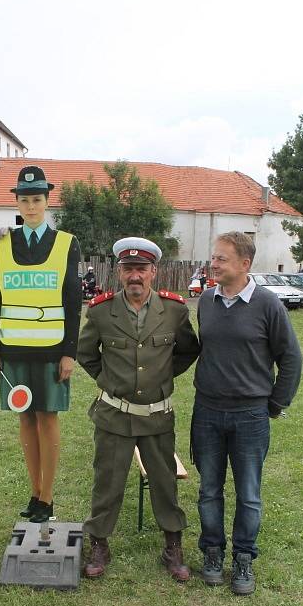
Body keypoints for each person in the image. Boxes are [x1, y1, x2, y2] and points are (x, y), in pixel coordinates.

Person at [77, 237, 200, 582]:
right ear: (119, 272)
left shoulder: (174, 310)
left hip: (157, 415)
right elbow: (86, 353)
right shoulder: (101, 311)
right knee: (108, 481)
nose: (135, 275)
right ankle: (100, 543)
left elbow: (189, 350)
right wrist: (110, 381)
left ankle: (172, 545)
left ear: (153, 272)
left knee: (164, 482)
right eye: (128, 269)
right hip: (114, 415)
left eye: (141, 269)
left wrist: (163, 377)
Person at [191, 231, 302, 595]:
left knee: (249, 493)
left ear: (244, 264)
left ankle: (242, 558)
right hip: (207, 411)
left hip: (250, 417)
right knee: (209, 489)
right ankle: (212, 553)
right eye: (214, 257)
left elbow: (291, 358)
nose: (214, 263)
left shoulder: (268, 305)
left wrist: (275, 403)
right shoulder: (205, 301)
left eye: (222, 258)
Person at [0, 165, 81, 523]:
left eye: (37, 199)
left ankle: (48, 497)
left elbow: (73, 302)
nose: (30, 206)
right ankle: (34, 491)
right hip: (12, 348)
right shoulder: (1, 242)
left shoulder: (66, 243)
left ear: (47, 201)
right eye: (24, 200)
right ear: (17, 202)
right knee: (24, 417)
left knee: (47, 417)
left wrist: (69, 352)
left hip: (51, 350)